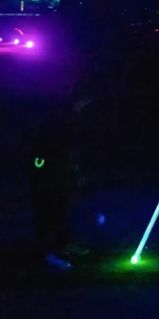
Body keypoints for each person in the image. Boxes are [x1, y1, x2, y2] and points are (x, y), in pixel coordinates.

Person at [29, 80, 94, 270]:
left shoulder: (67, 114)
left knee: (62, 209)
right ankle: (46, 254)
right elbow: (55, 146)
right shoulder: (63, 116)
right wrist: (41, 164)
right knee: (49, 211)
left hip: (58, 170)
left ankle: (62, 245)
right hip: (51, 172)